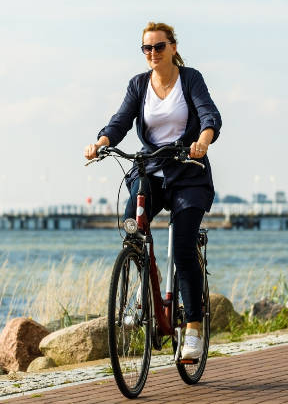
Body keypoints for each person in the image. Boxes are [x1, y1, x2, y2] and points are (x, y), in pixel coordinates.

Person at [84, 21, 222, 360]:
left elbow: (209, 115)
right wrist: (102, 142)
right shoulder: (138, 84)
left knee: (184, 247)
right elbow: (121, 120)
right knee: (133, 225)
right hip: (152, 169)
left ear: (173, 47)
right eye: (146, 48)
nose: (152, 54)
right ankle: (143, 290)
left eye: (159, 47)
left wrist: (202, 141)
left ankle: (192, 328)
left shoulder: (190, 79)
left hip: (188, 172)